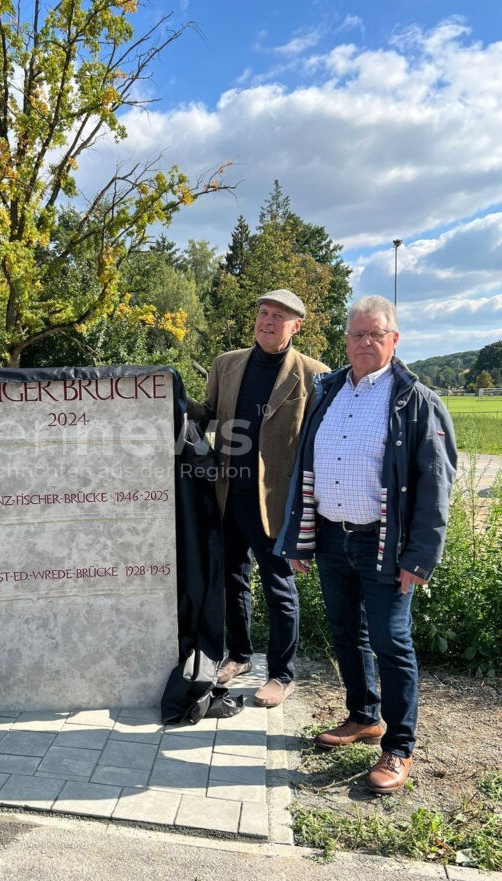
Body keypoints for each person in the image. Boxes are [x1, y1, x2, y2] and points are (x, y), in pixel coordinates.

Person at [275, 295, 456, 792]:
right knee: (345, 631)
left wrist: (420, 556)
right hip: (332, 536)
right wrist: (300, 537)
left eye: (376, 334)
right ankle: (363, 715)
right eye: (357, 334)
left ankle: (399, 747)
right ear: (346, 339)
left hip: (385, 543)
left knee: (391, 642)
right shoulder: (329, 390)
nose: (365, 342)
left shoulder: (415, 399)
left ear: (394, 339)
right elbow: (306, 465)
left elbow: (436, 484)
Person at [187, 289, 328, 707]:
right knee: (232, 580)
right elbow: (208, 415)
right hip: (229, 494)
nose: (267, 321)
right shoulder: (226, 364)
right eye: (263, 313)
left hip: (278, 504)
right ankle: (240, 655)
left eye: (278, 316)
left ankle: (282, 676)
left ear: (296, 326)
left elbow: (319, 445)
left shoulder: (316, 374)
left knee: (279, 588)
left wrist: (311, 509)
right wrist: (170, 397)